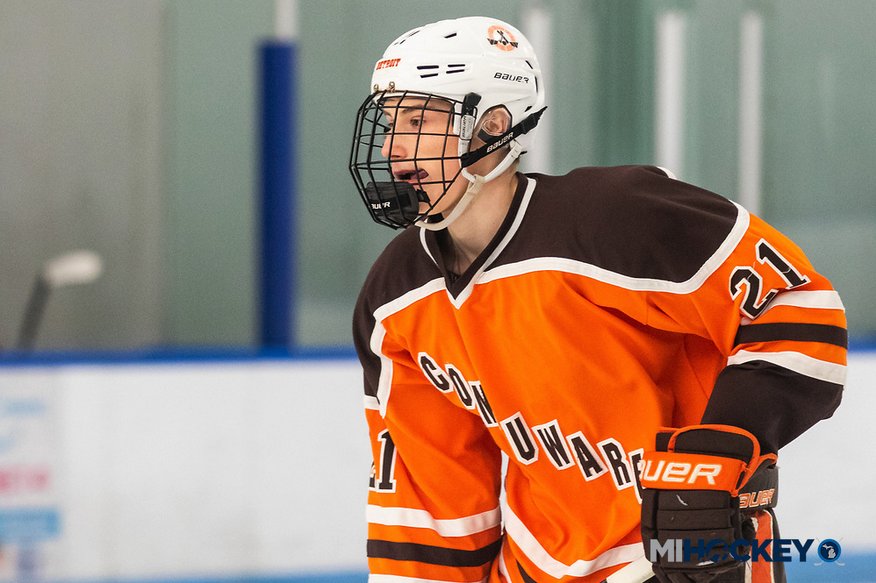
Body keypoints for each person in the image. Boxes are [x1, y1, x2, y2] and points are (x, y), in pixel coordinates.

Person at [348, 16, 846, 583]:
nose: (392, 147)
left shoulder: (616, 217)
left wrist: (725, 441)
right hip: (534, 567)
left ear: (490, 126)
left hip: (687, 560)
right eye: (388, 124)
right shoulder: (394, 298)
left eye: (417, 120)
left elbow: (797, 305)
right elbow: (433, 506)